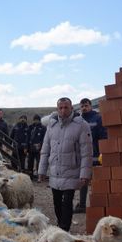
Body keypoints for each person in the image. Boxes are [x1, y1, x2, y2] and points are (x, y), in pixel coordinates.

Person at [38, 97, 92, 232]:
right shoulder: (52, 125)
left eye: (66, 107)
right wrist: (42, 170)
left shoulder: (81, 125)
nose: (63, 110)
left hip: (72, 170)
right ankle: (61, 225)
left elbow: (86, 152)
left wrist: (85, 174)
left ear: (71, 108)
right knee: (56, 203)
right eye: (60, 108)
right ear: (57, 109)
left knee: (67, 202)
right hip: (55, 171)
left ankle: (64, 229)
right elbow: (45, 149)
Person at [75, 98, 107, 213]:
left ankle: (98, 205)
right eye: (82, 106)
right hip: (82, 157)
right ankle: (82, 205)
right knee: (83, 181)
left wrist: (103, 153)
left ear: (90, 106)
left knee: (96, 182)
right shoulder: (78, 120)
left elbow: (104, 136)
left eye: (86, 105)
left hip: (96, 156)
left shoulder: (98, 118)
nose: (84, 108)